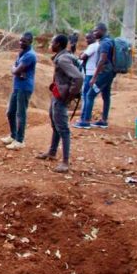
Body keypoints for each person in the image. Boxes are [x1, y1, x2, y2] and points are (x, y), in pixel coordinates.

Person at [37, 34, 83, 173]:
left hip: (61, 97)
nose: (50, 45)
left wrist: (69, 95)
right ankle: (52, 152)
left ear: (58, 44)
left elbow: (78, 77)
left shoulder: (63, 59)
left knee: (63, 129)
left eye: (52, 42)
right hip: (57, 94)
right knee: (55, 124)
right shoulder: (65, 56)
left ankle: (65, 162)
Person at [74, 22, 115, 129]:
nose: (94, 32)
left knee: (89, 95)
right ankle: (104, 120)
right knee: (106, 95)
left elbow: (102, 60)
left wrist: (95, 77)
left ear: (103, 31)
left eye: (96, 30)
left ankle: (85, 121)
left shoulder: (104, 43)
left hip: (103, 73)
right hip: (110, 73)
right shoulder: (109, 41)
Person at [1, 31, 36, 150]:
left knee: (21, 114)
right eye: (20, 40)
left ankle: (20, 140)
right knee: (10, 112)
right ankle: (13, 135)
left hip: (24, 87)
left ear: (30, 42)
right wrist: (16, 69)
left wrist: (14, 69)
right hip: (18, 86)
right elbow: (17, 69)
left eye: (24, 41)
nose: (21, 42)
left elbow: (16, 70)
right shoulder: (22, 53)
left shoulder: (30, 55)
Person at [79, 30, 100, 106]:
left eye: (89, 38)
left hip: (89, 72)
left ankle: (84, 116)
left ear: (94, 38)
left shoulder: (92, 46)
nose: (87, 40)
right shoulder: (98, 45)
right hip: (94, 72)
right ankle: (86, 115)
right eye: (86, 38)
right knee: (88, 94)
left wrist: (81, 55)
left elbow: (83, 57)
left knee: (85, 94)